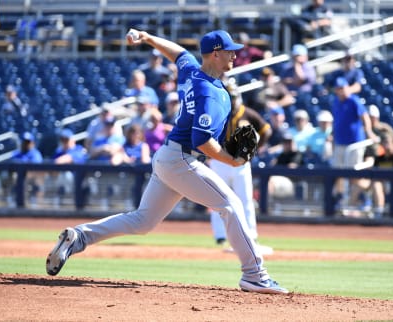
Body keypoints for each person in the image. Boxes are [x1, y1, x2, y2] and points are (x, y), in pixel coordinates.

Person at [46, 28, 289, 294]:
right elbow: (202, 141)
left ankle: (79, 236)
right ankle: (255, 275)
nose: (235, 54)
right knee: (230, 205)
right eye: (230, 50)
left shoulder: (192, 72)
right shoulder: (209, 93)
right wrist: (231, 160)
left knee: (142, 221)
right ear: (215, 53)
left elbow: (179, 53)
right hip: (182, 158)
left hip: (168, 156)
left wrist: (148, 37)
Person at [209, 79, 273, 254]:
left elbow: (266, 130)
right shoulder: (218, 112)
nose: (232, 100)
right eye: (229, 97)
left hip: (240, 163)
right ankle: (221, 236)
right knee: (216, 198)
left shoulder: (248, 113)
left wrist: (255, 150)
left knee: (245, 199)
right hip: (220, 160)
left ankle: (251, 235)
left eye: (234, 97)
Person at [330, 77, 377, 211]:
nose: (341, 91)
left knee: (353, 173)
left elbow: (365, 117)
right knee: (337, 173)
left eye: (343, 88)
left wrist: (369, 132)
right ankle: (340, 200)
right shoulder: (336, 102)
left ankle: (364, 198)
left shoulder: (354, 100)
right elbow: (337, 121)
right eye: (338, 89)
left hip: (354, 143)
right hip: (340, 143)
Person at [267, 132, 304, 200]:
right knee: (266, 180)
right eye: (285, 142)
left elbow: (291, 168)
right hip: (280, 180)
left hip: (292, 183)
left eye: (289, 142)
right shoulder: (281, 155)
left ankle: (267, 203)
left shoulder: (297, 154)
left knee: (271, 181)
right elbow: (272, 166)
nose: (287, 144)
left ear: (293, 143)